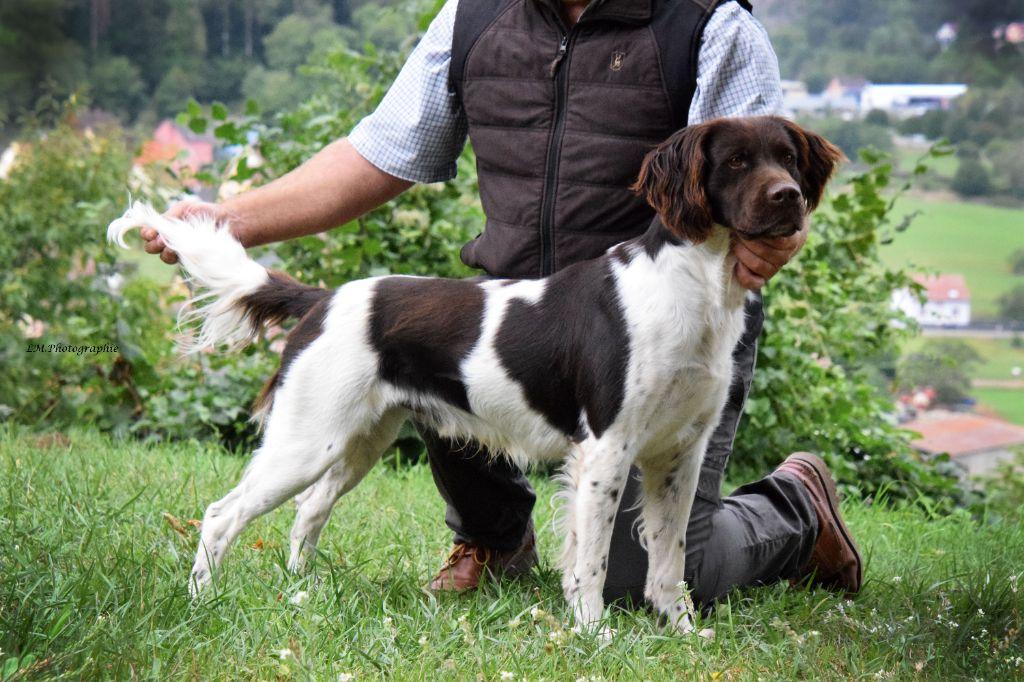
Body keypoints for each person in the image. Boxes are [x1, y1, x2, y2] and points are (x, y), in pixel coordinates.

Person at [141, 0, 861, 608]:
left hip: (660, 323)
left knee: (645, 580)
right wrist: (228, 221)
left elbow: (763, 172)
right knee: (438, 364)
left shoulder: (710, 25)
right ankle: (494, 540)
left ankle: (795, 510)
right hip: (503, 327)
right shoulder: (473, 17)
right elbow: (380, 153)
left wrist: (772, 242)